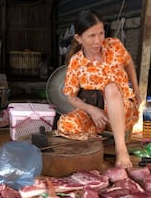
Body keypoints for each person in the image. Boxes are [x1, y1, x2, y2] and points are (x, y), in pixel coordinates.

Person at [57, 10, 141, 168]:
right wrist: (92, 110)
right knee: (66, 124)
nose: (98, 41)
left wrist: (136, 90)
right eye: (91, 36)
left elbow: (129, 63)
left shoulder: (114, 46)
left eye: (101, 34)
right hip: (96, 114)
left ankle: (120, 150)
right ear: (78, 38)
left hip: (123, 110)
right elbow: (70, 96)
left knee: (110, 88)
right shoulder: (76, 61)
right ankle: (97, 142)